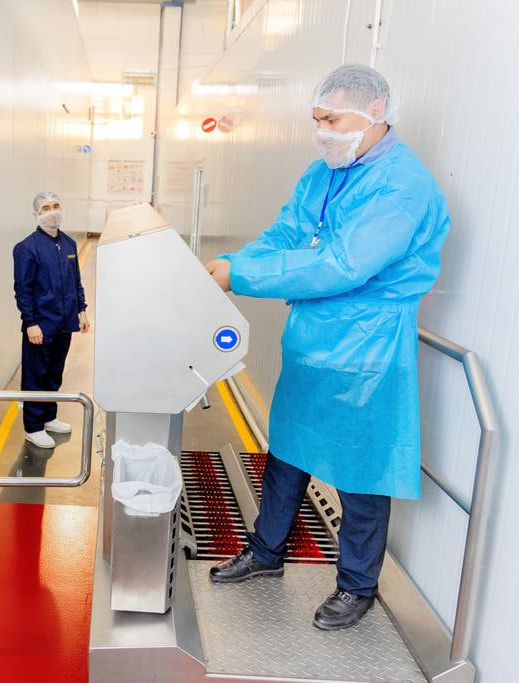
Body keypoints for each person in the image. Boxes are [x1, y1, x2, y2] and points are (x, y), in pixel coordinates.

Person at [204, 64, 450, 630]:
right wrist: (236, 261)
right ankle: (265, 552)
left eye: (333, 120)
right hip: (313, 338)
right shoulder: (322, 173)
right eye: (317, 120)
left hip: (367, 346)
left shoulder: (403, 186)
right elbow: (287, 234)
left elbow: (344, 264)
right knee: (287, 451)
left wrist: (242, 275)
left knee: (362, 471)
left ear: (374, 114)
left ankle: (357, 585)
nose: (323, 132)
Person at [13, 192, 90, 449]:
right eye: (46, 208)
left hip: (64, 323)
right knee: (36, 376)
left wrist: (81, 310)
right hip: (41, 325)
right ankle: (33, 427)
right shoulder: (27, 248)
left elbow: (76, 281)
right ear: (36, 214)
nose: (52, 211)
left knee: (54, 373)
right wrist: (31, 323)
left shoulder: (68, 244)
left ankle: (48, 416)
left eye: (56, 206)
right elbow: (23, 290)